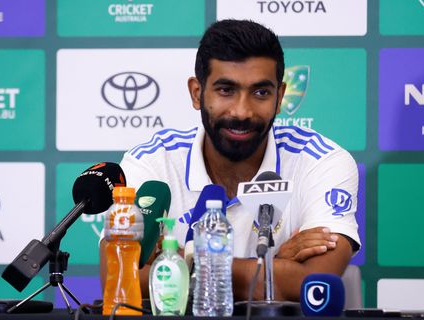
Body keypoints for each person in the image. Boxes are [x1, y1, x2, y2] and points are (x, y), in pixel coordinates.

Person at [100, 19, 360, 302]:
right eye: (226, 90)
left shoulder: (321, 161)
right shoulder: (152, 162)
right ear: (197, 93)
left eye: (261, 92)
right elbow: (120, 280)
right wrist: (271, 266)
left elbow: (316, 284)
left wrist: (178, 264)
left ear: (280, 96)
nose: (242, 111)